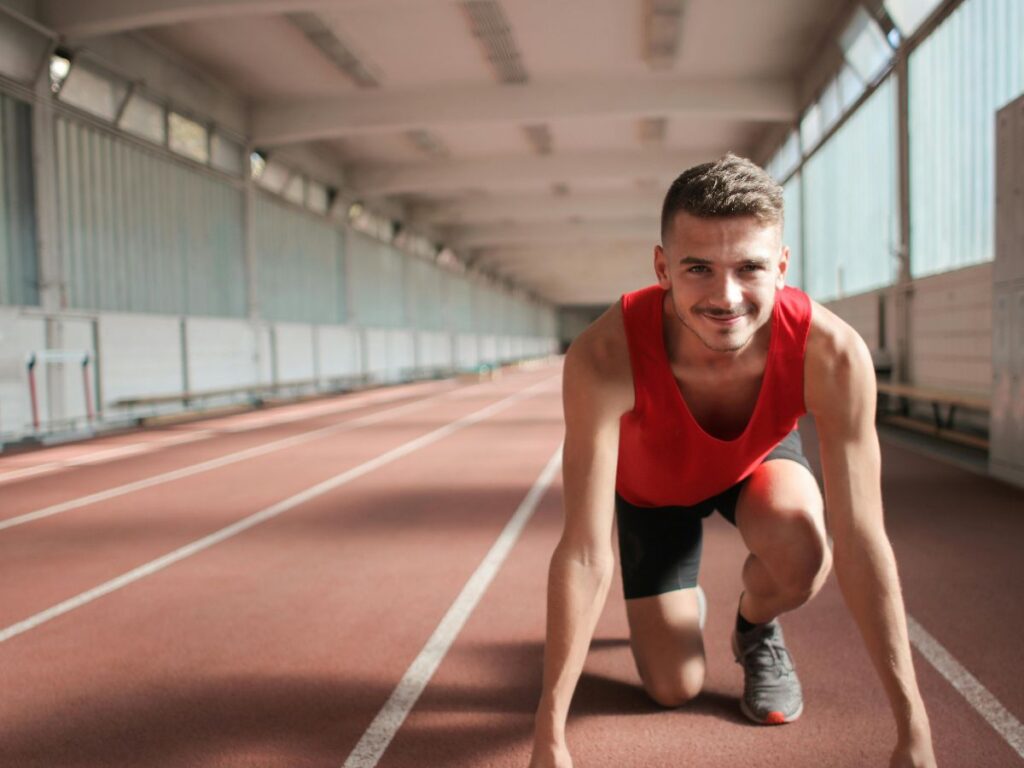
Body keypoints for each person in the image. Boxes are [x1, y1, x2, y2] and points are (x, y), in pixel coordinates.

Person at [528, 154, 937, 768]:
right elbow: (585, 549)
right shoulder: (603, 356)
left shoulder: (832, 354)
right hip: (652, 494)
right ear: (662, 267)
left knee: (806, 547)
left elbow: (861, 535)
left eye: (750, 268)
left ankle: (754, 625)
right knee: (673, 688)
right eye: (698, 268)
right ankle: (679, 605)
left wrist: (913, 730)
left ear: (782, 265)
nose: (727, 298)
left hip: (755, 465)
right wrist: (549, 737)